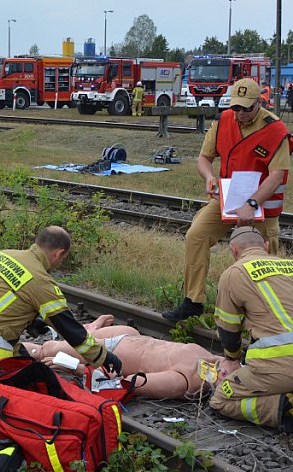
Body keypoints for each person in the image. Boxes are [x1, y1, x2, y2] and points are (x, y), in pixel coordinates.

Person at [0, 226, 122, 404]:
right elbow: (70, 329)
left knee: (25, 362)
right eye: (62, 258)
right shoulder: (41, 282)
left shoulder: (1, 255)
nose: (59, 263)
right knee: (13, 400)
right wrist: (103, 357)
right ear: (58, 253)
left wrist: (30, 321)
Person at [162, 78, 289, 322]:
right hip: (228, 199)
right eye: (236, 108)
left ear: (258, 104)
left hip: (261, 207)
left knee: (264, 257)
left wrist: (251, 204)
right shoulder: (223, 123)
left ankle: (264, 313)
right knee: (196, 236)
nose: (240, 113)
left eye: (246, 108)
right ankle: (193, 302)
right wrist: (209, 178)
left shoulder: (275, 131)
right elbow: (204, 158)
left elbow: (277, 175)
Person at [28, 316, 240, 400]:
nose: (227, 368)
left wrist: (77, 368)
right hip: (131, 336)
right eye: (234, 367)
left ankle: (3, 350)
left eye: (228, 375)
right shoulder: (213, 358)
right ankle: (91, 328)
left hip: (107, 354)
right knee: (73, 336)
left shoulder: (183, 382)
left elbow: (126, 383)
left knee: (46, 351)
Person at [209, 227, 293, 431]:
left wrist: (233, 358)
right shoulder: (290, 265)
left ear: (234, 251)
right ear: (266, 246)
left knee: (220, 399)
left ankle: (283, 407)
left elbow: (228, 329)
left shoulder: (233, 274)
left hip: (281, 367)